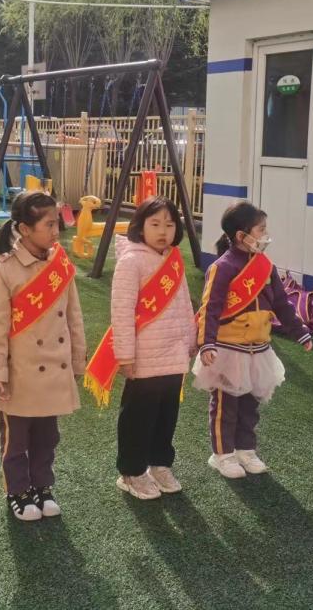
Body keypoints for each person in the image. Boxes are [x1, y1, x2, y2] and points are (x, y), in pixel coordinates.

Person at [195, 201, 313, 479]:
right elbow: (210, 308)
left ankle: (245, 450)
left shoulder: (265, 266)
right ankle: (222, 455)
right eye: (260, 230)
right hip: (228, 348)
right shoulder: (222, 267)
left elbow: (281, 303)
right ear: (241, 235)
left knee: (250, 405)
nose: (265, 235)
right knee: (226, 406)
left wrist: (299, 331)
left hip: (258, 348)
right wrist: (207, 343)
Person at [0, 191, 86, 521]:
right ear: (25, 229)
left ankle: (43, 486)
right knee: (16, 439)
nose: (56, 231)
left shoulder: (61, 263)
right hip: (20, 370)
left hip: (55, 365)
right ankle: (17, 491)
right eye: (48, 225)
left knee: (47, 436)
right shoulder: (4, 269)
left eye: (57, 223)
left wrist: (78, 360)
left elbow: (74, 316)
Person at [111, 197, 198, 500]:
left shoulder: (173, 259)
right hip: (144, 357)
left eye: (170, 224)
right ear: (140, 226)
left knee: (166, 415)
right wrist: (124, 355)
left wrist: (190, 340)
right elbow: (121, 312)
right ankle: (131, 472)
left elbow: (185, 304)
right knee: (138, 417)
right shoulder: (131, 261)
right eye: (155, 224)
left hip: (173, 354)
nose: (163, 231)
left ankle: (160, 464)